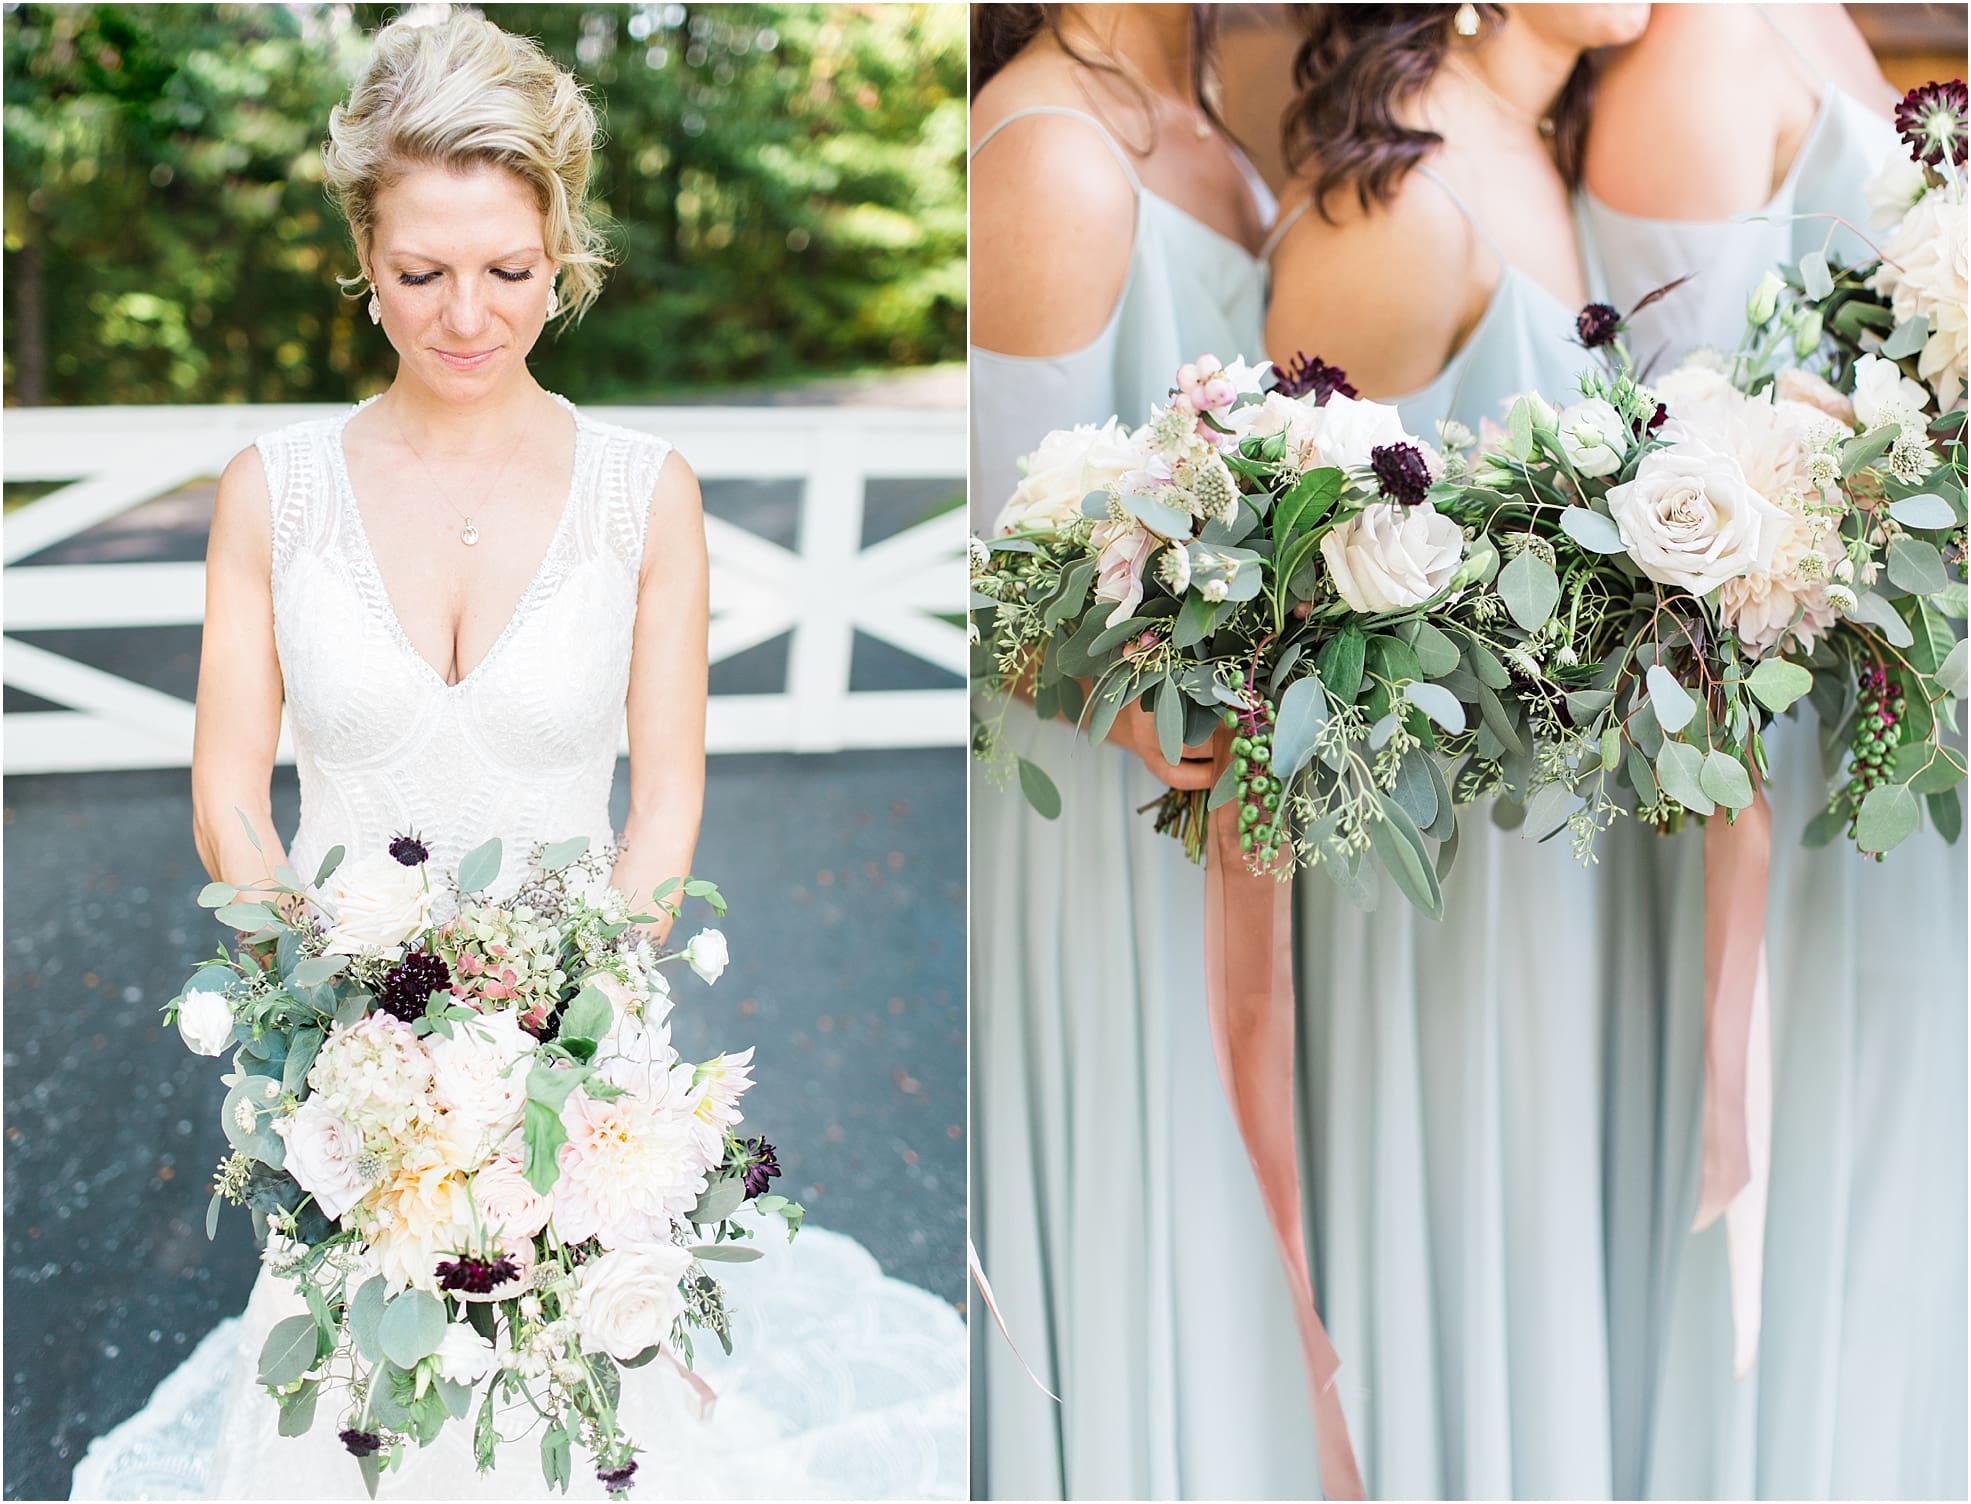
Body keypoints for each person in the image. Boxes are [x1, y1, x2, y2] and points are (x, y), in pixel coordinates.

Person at [67, 15, 962, 1499]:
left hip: (580, 1063)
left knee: (575, 1432)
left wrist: (580, 1031)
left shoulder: (642, 497)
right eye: (421, 273)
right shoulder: (270, 497)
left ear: (564, 251)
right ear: (364, 253)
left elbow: (665, 792)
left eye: (511, 271)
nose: (467, 316)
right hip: (345, 1072)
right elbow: (231, 788)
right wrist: (328, 1015)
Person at [1263, 6, 1652, 1496]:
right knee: (1466, 1235)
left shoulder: (1549, 141)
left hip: (1566, 854)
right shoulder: (1406, 202)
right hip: (1438, 875)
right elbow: (1291, 577)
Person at [1584, 7, 1968, 1496]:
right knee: (1843, 1184)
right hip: (1815, 743)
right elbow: (1690, 454)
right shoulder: (1695, 55)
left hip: (1900, 694)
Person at [967, 6, 1320, 1497]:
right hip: (1109, 831)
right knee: (1161, 1215)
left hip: (1238, 801)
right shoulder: (1053, 158)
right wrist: (1163, 703)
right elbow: (1001, 583)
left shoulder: (1216, 103)